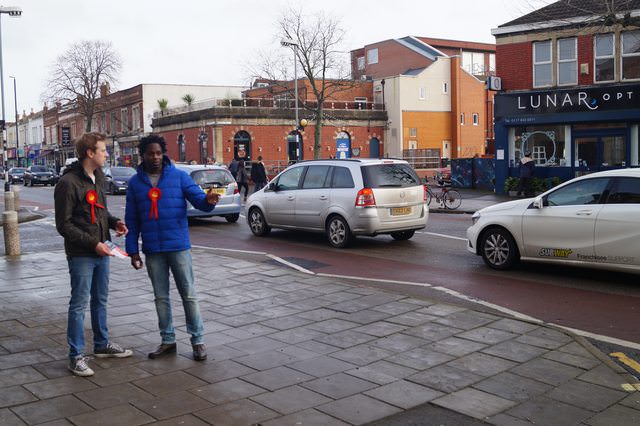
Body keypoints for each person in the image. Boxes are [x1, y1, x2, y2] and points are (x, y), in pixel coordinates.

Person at [125, 134, 220, 362]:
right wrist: (133, 251)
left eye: (159, 153)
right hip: (152, 249)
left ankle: (198, 341)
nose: (155, 157)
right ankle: (167, 340)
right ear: (143, 155)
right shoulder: (135, 183)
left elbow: (199, 200)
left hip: (178, 247)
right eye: (151, 153)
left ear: (163, 153)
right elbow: (132, 220)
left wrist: (208, 201)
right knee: (160, 297)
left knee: (188, 295)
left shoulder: (179, 177)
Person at [54, 132, 133, 377]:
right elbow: (64, 225)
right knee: (78, 304)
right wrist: (93, 244)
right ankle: (75, 355)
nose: (106, 154)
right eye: (103, 150)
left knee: (100, 299)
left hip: (102, 249)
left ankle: (102, 344)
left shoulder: (98, 177)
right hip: (82, 253)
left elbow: (99, 213)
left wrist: (115, 223)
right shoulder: (68, 183)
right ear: (90, 153)